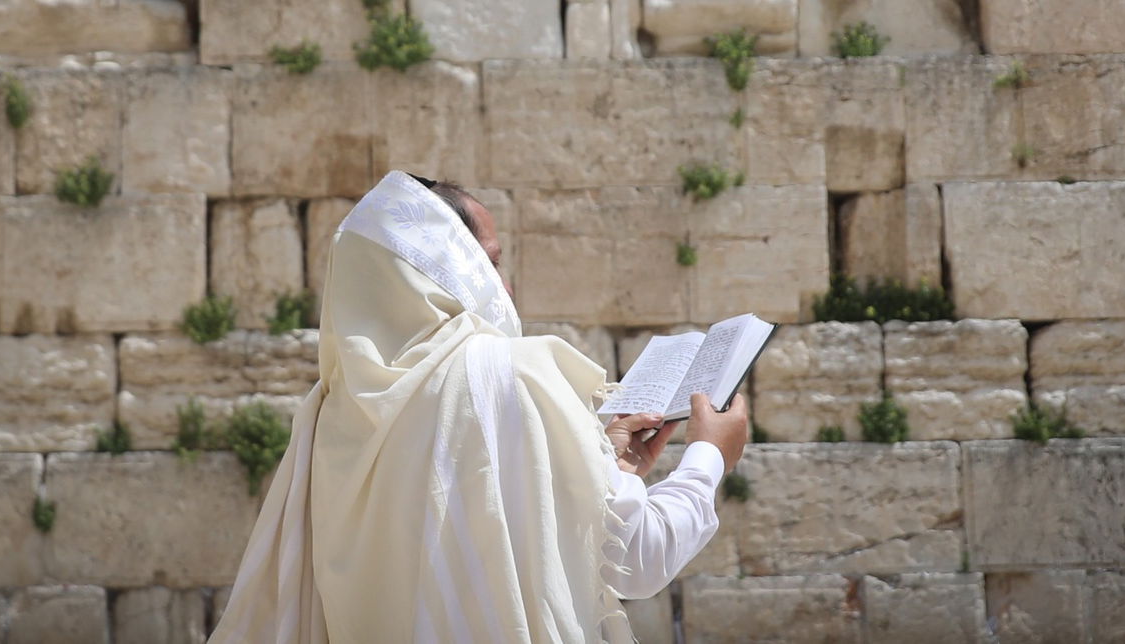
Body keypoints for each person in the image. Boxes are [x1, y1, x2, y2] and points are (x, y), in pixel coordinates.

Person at [209, 170, 748, 643]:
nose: (505, 287)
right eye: (488, 265)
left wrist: (611, 465)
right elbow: (636, 557)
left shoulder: (330, 412)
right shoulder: (509, 373)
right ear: (448, 273)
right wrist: (708, 459)